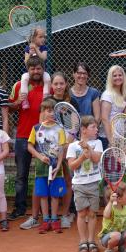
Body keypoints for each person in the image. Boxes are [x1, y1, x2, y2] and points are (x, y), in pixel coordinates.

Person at [10, 56, 45, 225]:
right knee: (21, 175)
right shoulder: (18, 85)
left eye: (38, 68)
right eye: (33, 69)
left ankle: (47, 209)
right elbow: (11, 108)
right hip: (23, 134)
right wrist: (18, 101)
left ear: (42, 69)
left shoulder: (49, 86)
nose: (36, 71)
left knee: (44, 173)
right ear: (28, 70)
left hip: (44, 136)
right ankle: (20, 208)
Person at [29, 99, 67, 233]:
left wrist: (59, 165)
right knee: (43, 195)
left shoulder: (60, 129)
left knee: (55, 195)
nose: (51, 114)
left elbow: (62, 148)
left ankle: (55, 220)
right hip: (41, 167)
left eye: (54, 111)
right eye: (49, 111)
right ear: (43, 112)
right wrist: (40, 157)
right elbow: (29, 146)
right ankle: (45, 220)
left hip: (57, 167)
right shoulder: (36, 128)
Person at [67, 116, 104, 252]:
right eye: (93, 127)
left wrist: (88, 147)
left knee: (93, 213)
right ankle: (83, 241)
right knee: (82, 213)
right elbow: (72, 166)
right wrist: (82, 156)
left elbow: (96, 159)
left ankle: (91, 240)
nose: (96, 129)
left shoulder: (98, 143)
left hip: (94, 183)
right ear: (83, 129)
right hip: (79, 185)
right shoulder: (72, 146)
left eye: (96, 127)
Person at [47, 72, 77, 229]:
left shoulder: (72, 102)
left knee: (67, 181)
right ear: (51, 85)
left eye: (61, 83)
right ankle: (48, 217)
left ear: (66, 84)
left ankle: (65, 214)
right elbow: (42, 124)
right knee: (49, 181)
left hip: (67, 147)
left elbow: (74, 128)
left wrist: (66, 145)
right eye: (55, 84)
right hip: (50, 149)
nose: (58, 86)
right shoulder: (47, 102)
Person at [98, 182, 126, 252]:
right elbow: (106, 215)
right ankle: (109, 250)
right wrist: (110, 202)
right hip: (106, 238)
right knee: (116, 235)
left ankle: (122, 248)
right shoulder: (111, 208)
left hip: (120, 235)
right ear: (119, 199)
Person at [19, 27, 52, 109]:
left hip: (42, 72)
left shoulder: (43, 48)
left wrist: (37, 50)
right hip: (30, 73)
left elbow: (43, 58)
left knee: (47, 78)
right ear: (33, 38)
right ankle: (25, 100)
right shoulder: (27, 48)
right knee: (24, 79)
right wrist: (30, 53)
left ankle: (45, 98)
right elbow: (26, 62)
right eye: (40, 37)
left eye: (44, 37)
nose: (43, 39)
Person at [100, 65, 126, 148]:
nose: (118, 78)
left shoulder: (122, 94)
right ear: (110, 78)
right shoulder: (107, 94)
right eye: (114, 76)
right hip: (108, 138)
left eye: (120, 75)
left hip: (120, 136)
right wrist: (111, 141)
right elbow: (104, 119)